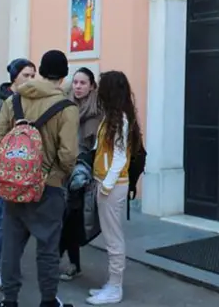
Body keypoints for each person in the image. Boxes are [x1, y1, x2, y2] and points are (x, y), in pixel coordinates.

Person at [0, 50, 78, 307]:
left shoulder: (14, 101)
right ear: (63, 77)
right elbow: (68, 154)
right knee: (48, 249)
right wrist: (57, 175)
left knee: (11, 247)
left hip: (13, 185)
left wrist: (14, 169)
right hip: (48, 188)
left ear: (39, 71)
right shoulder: (67, 107)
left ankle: (9, 300)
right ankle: (48, 301)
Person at [86, 70, 142, 305]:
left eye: (101, 86)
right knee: (111, 236)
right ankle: (112, 283)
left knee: (113, 238)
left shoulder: (120, 119)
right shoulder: (114, 116)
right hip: (108, 182)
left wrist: (106, 187)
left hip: (112, 185)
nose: (97, 90)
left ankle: (115, 287)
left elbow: (119, 158)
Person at [0, 58, 36, 290]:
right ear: (14, 77)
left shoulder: (30, 102)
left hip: (23, 177)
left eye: (34, 75)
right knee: (1, 222)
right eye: (26, 75)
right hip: (1, 176)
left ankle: (7, 266)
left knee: (18, 224)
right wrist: (8, 166)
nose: (31, 80)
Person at [59, 67, 102, 281]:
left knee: (71, 219)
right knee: (67, 219)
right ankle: (72, 264)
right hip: (65, 170)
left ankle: (57, 260)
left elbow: (98, 147)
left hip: (85, 176)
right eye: (75, 82)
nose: (77, 86)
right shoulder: (66, 107)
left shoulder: (98, 111)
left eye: (83, 83)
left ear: (92, 86)